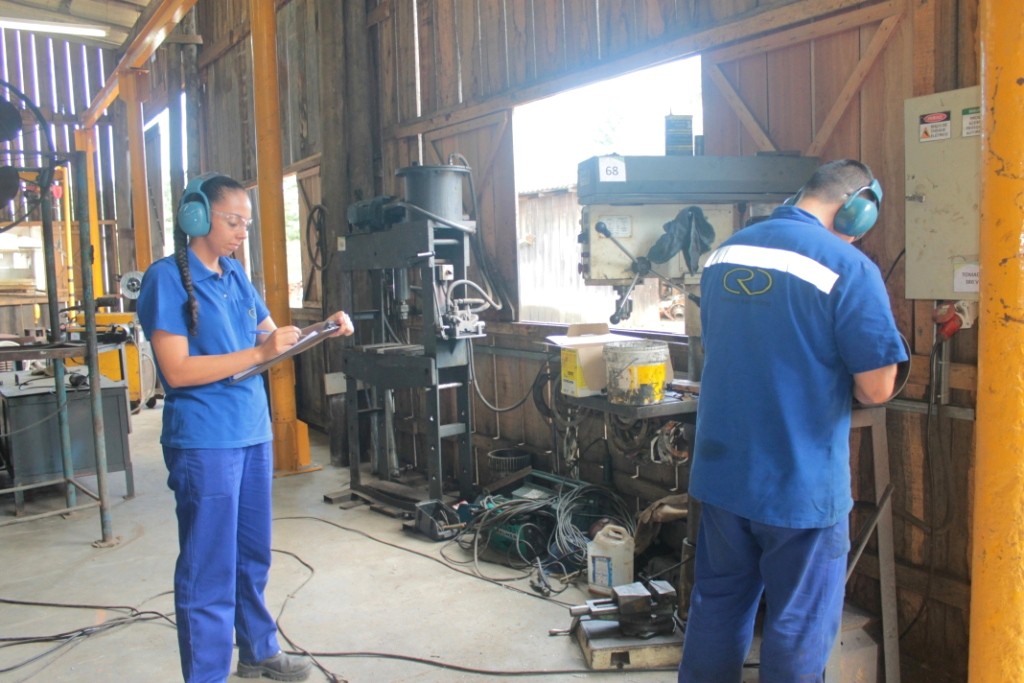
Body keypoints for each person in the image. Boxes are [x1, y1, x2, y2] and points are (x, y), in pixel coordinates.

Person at [678, 159, 908, 682]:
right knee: (798, 624)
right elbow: (876, 387)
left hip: (722, 474)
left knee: (716, 607)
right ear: (857, 209)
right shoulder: (847, 268)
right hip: (797, 486)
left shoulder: (724, 255)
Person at [137, 173, 354, 683]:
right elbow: (177, 371)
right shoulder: (167, 279)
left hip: (252, 432)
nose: (241, 232)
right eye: (233, 221)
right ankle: (207, 675)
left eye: (247, 223)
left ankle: (258, 650)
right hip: (205, 440)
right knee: (208, 566)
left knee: (251, 555)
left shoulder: (235, 277)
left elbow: (271, 340)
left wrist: (321, 329)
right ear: (196, 216)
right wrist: (260, 351)